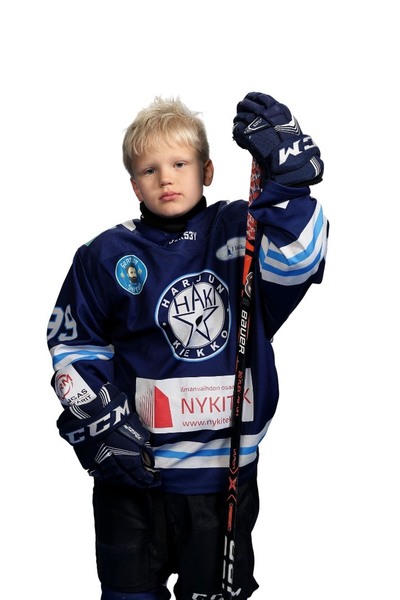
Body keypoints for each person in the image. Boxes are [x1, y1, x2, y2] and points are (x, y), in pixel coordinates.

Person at [47, 92, 328, 600]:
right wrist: (99, 415)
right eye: (149, 169)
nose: (166, 178)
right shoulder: (105, 254)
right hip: (133, 477)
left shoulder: (242, 228)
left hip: (224, 480)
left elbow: (300, 259)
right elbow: (74, 344)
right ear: (134, 184)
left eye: (180, 164)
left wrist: (289, 186)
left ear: (208, 170)